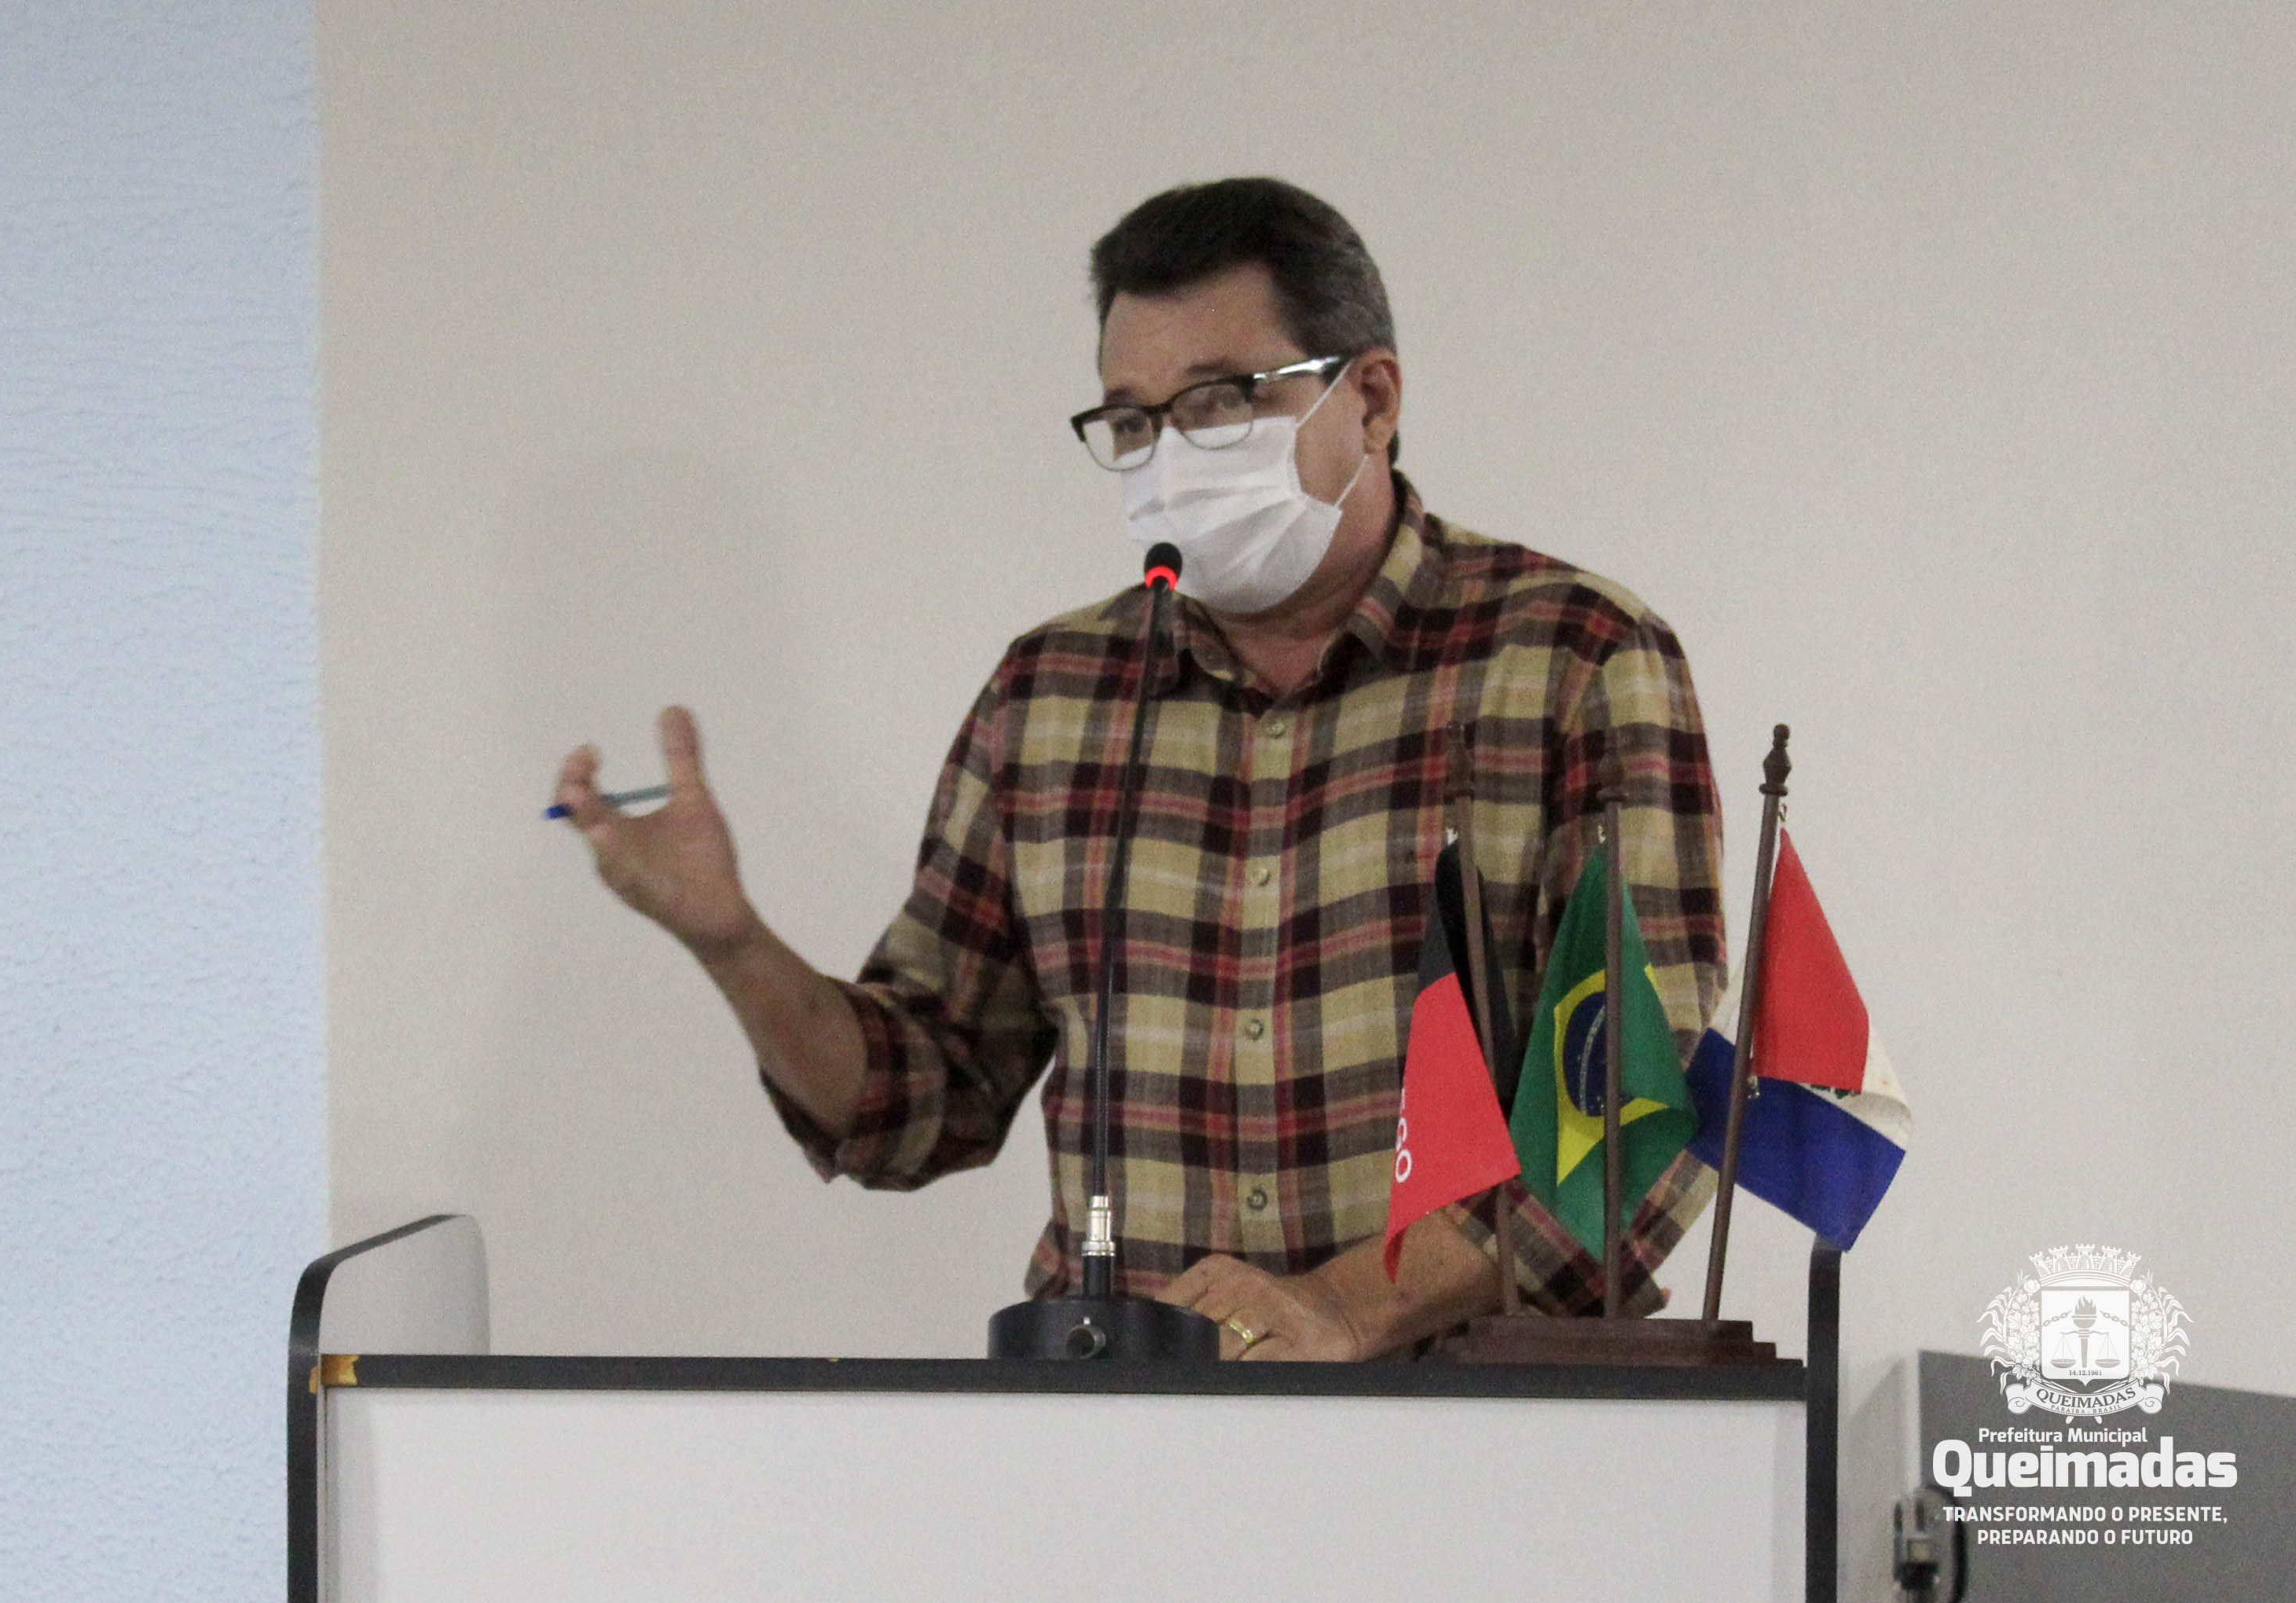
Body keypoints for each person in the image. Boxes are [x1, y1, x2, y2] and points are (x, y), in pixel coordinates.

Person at [553, 178, 1726, 1360]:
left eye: (1220, 401)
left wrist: (1345, 1308)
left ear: (1370, 400)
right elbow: (918, 1106)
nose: (1172, 457)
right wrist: (732, 942)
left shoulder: (1572, 660)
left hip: (1475, 1426)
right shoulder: (1054, 697)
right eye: (1132, 421)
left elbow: (1636, 1111)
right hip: (1120, 1417)